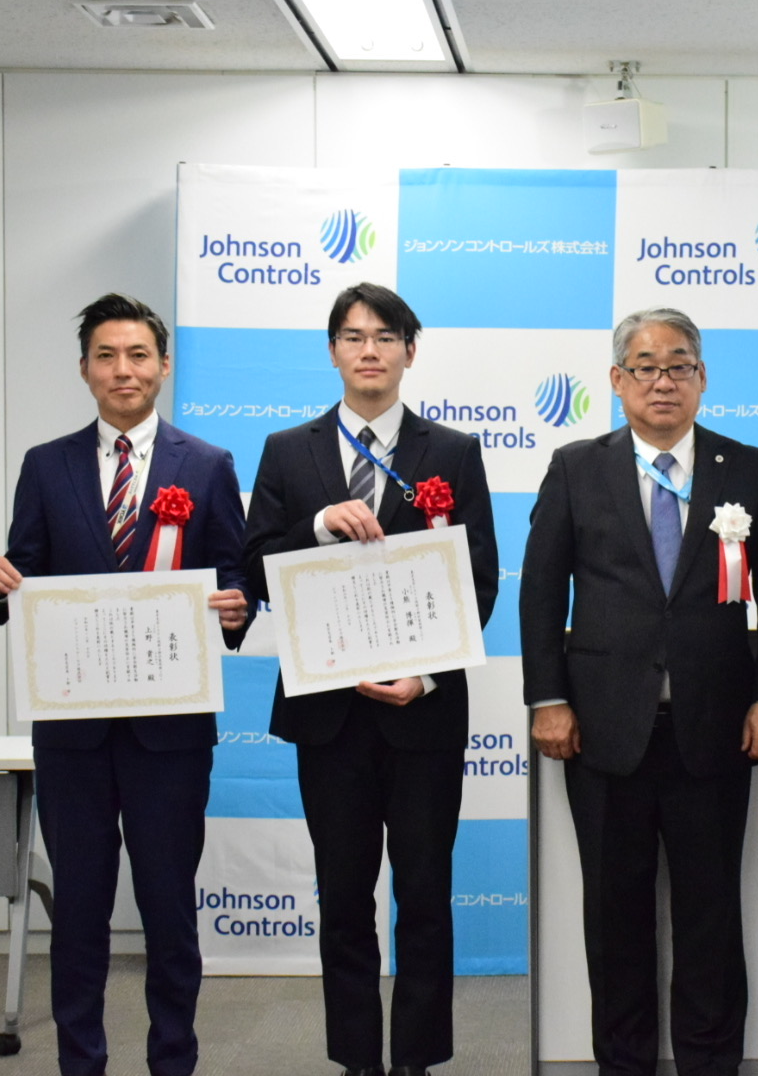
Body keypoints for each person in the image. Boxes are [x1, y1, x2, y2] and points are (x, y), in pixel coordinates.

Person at [0, 293, 251, 1076]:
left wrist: (237, 606)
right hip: (73, 738)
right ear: (84, 369)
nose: (122, 370)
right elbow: (24, 569)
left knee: (170, 913)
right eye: (106, 356)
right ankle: (81, 1063)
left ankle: (174, 1059)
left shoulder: (208, 465)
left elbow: (235, 575)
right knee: (79, 917)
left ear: (163, 365)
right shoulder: (47, 464)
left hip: (171, 737)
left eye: (137, 355)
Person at [521, 306, 758, 1076]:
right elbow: (541, 592)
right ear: (618, 380)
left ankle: (711, 1064)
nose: (663, 382)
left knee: (711, 917)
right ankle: (624, 1064)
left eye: (679, 366)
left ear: (702, 378)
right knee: (615, 920)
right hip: (604, 732)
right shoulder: (576, 467)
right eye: (645, 367)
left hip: (715, 728)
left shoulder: (748, 468)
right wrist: (548, 698)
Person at [240, 282, 498, 1076]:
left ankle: (416, 1057)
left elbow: (479, 579)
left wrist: (426, 675)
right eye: (353, 337)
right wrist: (318, 525)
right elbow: (254, 568)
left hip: (422, 715)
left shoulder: (452, 451)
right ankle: (356, 1058)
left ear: (410, 352)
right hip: (330, 718)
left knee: (424, 896)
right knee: (344, 899)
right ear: (332, 351)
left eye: (386, 337)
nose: (369, 351)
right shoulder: (289, 450)